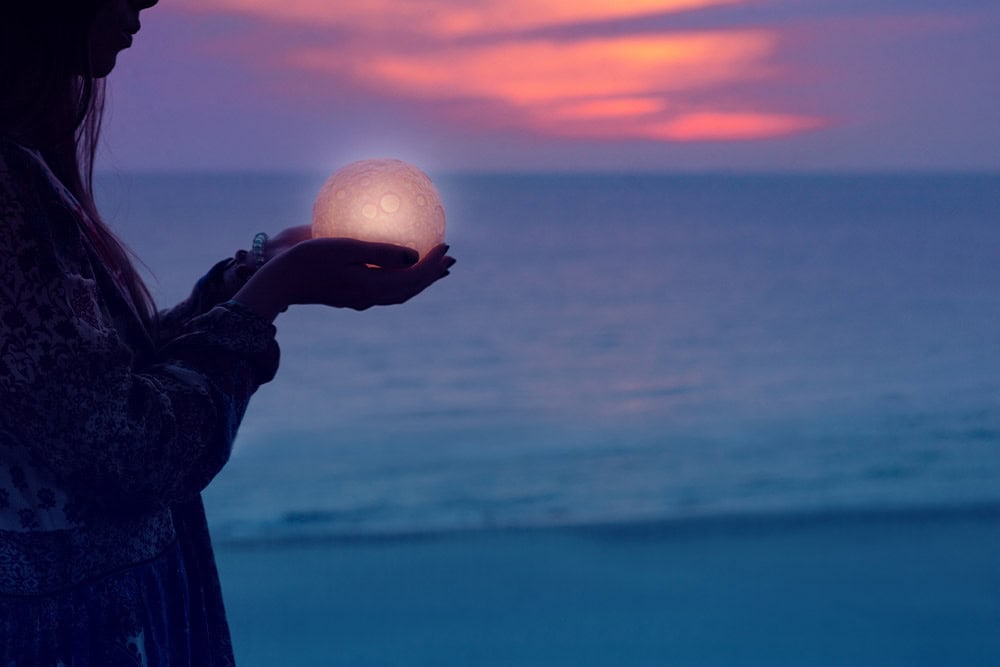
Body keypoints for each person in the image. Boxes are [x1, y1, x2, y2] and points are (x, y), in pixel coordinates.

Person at [0, 0, 455, 664]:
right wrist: (272, 293)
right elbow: (133, 450)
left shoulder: (26, 173)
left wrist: (251, 279)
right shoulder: (9, 195)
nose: (147, 4)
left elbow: (91, 390)